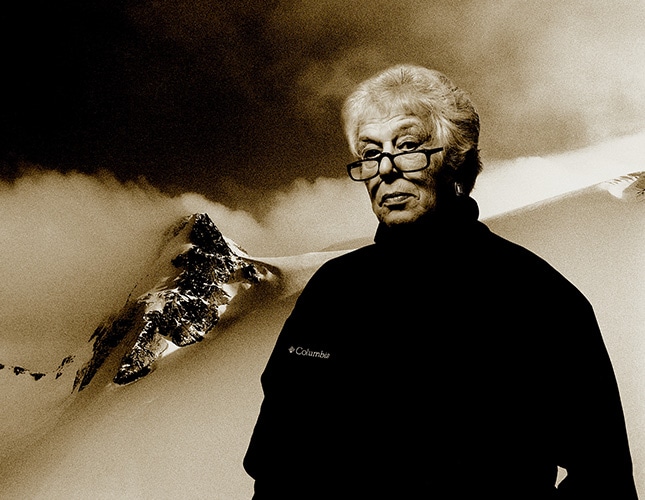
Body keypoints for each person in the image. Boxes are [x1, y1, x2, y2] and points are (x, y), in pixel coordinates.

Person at [243, 65, 637, 499]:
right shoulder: (330, 293)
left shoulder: (536, 297)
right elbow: (275, 467)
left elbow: (604, 478)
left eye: (408, 146)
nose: (385, 169)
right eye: (371, 153)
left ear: (456, 160)